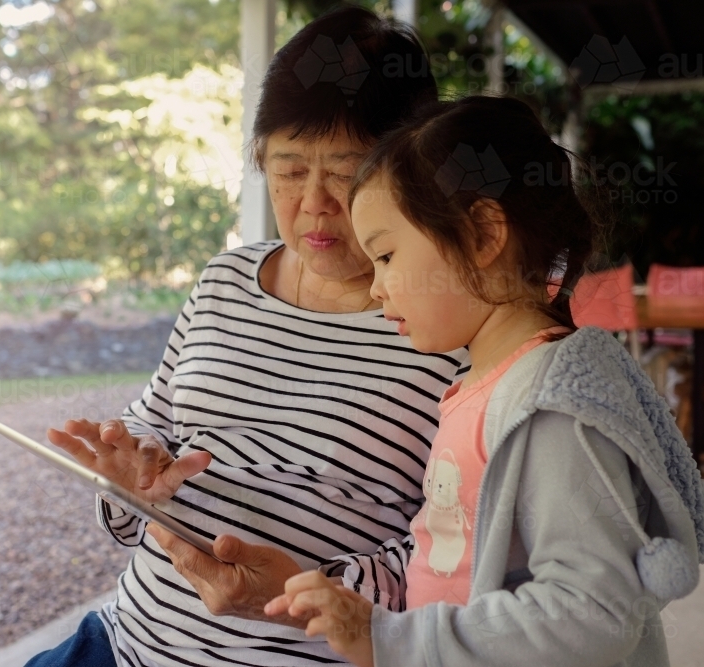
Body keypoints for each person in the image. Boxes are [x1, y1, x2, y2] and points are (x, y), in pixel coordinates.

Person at [26, 7, 469, 667]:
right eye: (290, 170)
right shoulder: (226, 280)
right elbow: (151, 438)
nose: (314, 202)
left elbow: (457, 558)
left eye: (344, 174)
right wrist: (128, 476)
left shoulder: (449, 329)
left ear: (410, 172)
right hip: (125, 641)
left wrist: (303, 591)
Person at [264, 95, 704, 667]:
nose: (375, 288)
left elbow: (592, 613)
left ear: (482, 236)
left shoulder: (550, 409)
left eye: (384, 255)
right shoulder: (484, 382)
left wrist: (394, 640)